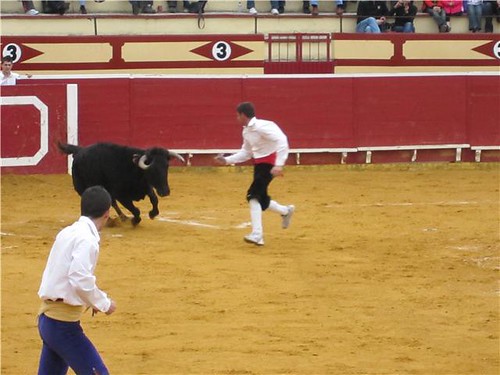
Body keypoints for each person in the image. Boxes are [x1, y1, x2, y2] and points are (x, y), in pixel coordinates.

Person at [37, 186, 117, 375]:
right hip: (62, 326)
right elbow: (79, 278)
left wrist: (90, 300)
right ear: (107, 213)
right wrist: (103, 303)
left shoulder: (67, 232)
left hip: (47, 321)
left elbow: (62, 274)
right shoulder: (87, 239)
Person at [215, 102, 295, 246]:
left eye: (237, 115)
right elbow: (246, 153)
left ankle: (257, 234)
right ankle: (285, 211)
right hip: (260, 164)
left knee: (253, 196)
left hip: (270, 164)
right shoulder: (246, 131)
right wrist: (227, 160)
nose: (236, 118)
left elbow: (282, 141)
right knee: (261, 197)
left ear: (243, 115)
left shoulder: (263, 126)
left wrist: (279, 164)